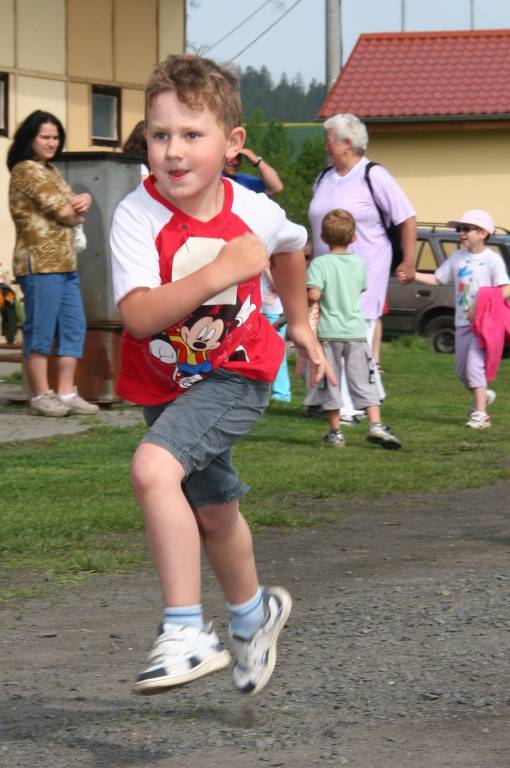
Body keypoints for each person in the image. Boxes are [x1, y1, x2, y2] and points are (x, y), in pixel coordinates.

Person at [109, 53, 327, 696]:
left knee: (153, 469)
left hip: (238, 373)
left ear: (232, 144)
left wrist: (300, 322)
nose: (173, 151)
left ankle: (186, 632)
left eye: (191, 134)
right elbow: (139, 317)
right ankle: (253, 615)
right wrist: (220, 272)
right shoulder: (136, 215)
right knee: (214, 511)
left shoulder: (254, 209)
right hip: (168, 382)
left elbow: (291, 247)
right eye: (160, 134)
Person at [308, 113, 417, 422]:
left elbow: (407, 218)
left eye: (329, 140)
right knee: (327, 333)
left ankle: (349, 406)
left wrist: (409, 261)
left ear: (347, 143)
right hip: (326, 269)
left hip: (364, 269)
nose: (326, 146)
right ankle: (342, 398)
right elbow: (316, 226)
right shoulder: (324, 178)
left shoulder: (373, 175)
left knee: (356, 334)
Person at [7, 110, 98, 417]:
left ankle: (67, 393)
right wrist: (79, 206)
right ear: (30, 139)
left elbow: (73, 207)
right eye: (45, 137)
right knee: (41, 331)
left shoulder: (51, 170)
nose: (51, 142)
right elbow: (64, 212)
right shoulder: (26, 170)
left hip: (65, 263)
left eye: (56, 137)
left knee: (74, 327)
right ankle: (40, 395)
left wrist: (84, 200)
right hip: (40, 264)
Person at [398, 209, 510, 429]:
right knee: (462, 372)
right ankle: (482, 396)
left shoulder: (492, 260)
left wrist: (480, 305)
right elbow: (438, 278)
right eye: (460, 229)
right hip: (462, 323)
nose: (461, 233)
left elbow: (505, 289)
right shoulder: (457, 257)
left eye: (467, 229)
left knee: (474, 368)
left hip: (482, 325)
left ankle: (481, 415)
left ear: (483, 233)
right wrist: (413, 275)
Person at [306, 208, 401, 450]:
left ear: (323, 237)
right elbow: (360, 289)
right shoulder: (359, 264)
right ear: (354, 237)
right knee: (365, 378)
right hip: (355, 332)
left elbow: (314, 295)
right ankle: (375, 424)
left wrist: (306, 299)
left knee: (331, 381)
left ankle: (335, 432)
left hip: (328, 333)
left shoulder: (319, 264)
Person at [260, 268, 291, 402]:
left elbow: (281, 286)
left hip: (273, 312)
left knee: (277, 353)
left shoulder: (274, 261)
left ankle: (282, 393)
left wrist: (266, 268)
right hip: (255, 309)